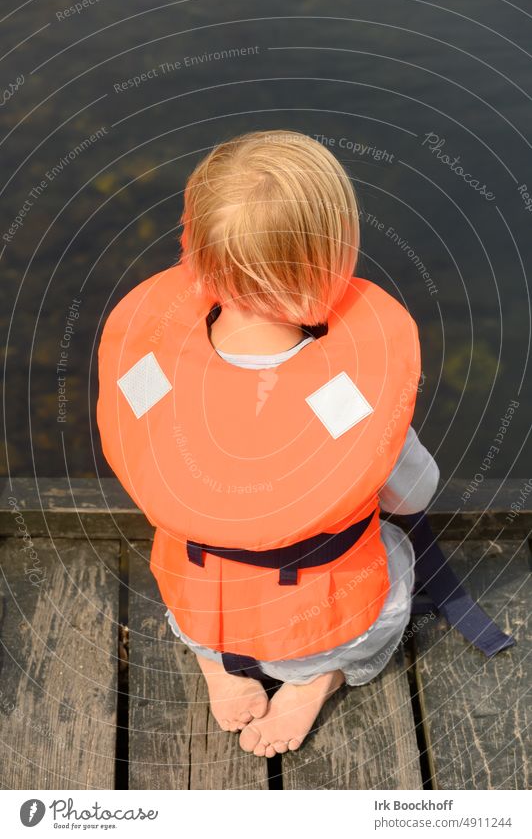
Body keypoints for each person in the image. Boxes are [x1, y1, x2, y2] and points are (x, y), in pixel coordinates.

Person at [97, 129, 439, 759]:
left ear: (195, 250)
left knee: (190, 554)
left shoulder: (155, 369)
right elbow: (415, 494)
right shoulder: (344, 395)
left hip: (199, 597)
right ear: (330, 259)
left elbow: (147, 459)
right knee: (392, 556)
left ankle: (217, 665)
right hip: (313, 618)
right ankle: (314, 678)